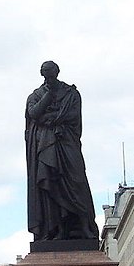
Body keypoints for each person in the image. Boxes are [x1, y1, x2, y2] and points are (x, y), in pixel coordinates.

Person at [25, 61, 98, 241]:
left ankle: (84, 225)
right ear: (42, 74)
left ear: (57, 72)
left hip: (66, 142)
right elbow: (34, 114)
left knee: (77, 181)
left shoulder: (71, 93)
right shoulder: (36, 95)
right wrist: (49, 96)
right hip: (45, 145)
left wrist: (52, 118)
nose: (48, 75)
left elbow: (73, 115)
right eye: (45, 73)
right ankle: (57, 229)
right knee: (50, 184)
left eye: (50, 72)